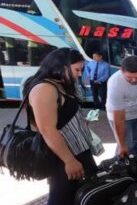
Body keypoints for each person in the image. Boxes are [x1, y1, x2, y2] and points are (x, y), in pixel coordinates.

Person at [23, 48, 97, 205]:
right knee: (62, 198)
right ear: (61, 66)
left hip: (78, 152)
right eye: (77, 70)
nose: (79, 74)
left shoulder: (60, 85)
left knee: (86, 193)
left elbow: (63, 117)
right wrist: (69, 160)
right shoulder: (44, 89)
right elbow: (47, 130)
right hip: (62, 159)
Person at [106, 56, 137, 157]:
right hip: (120, 116)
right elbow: (119, 119)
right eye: (129, 78)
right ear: (121, 71)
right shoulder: (115, 84)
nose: (134, 80)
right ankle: (119, 169)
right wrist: (122, 145)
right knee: (126, 146)